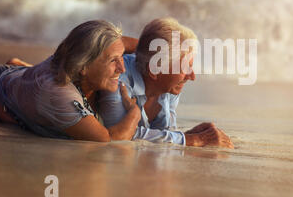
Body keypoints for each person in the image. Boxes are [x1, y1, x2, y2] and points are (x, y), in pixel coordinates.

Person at [0, 20, 140, 142]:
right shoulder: (60, 94)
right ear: (84, 66)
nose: (122, 68)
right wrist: (134, 112)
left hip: (17, 77)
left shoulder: (77, 49)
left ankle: (23, 67)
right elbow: (108, 139)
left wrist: (156, 52)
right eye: (113, 61)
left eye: (121, 58)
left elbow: (122, 42)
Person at [98, 17, 234, 149]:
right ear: (155, 70)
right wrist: (195, 140)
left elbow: (161, 135)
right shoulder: (116, 80)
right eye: (184, 67)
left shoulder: (169, 86)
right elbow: (120, 137)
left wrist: (189, 135)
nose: (192, 76)